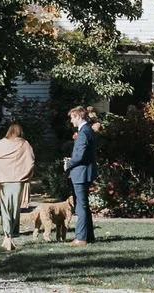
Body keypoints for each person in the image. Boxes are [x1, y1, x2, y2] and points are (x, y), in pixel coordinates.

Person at [0, 120, 36, 252]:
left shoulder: (1, 144)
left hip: (3, 181)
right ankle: (12, 234)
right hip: (17, 181)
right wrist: (24, 174)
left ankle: (7, 235)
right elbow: (30, 161)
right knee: (15, 208)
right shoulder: (24, 144)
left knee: (5, 208)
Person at [64, 105, 98, 244]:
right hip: (86, 171)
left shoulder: (83, 132)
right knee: (83, 205)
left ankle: (81, 238)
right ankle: (88, 236)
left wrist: (68, 164)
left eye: (72, 118)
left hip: (81, 173)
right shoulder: (89, 130)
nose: (71, 121)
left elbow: (79, 156)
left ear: (78, 116)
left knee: (81, 206)